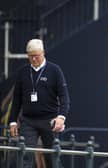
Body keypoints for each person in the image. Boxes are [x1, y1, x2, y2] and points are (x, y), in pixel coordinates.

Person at [9, 39, 70, 168]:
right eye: (31, 56)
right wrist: (13, 121)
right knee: (25, 156)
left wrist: (61, 117)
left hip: (50, 120)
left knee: (52, 158)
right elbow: (16, 99)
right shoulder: (23, 72)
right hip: (28, 121)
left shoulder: (55, 70)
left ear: (43, 53)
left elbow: (64, 97)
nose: (34, 59)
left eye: (37, 55)